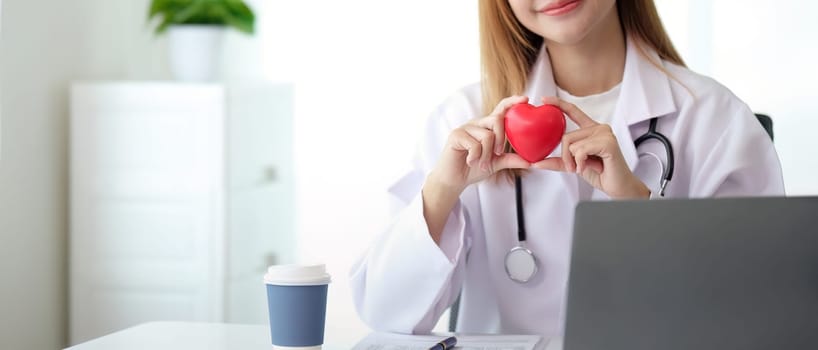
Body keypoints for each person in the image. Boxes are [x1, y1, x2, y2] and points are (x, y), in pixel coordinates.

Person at [350, 0, 785, 338]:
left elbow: (759, 314)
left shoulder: (714, 119)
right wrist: (443, 188)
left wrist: (638, 205)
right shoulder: (462, 120)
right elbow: (385, 313)